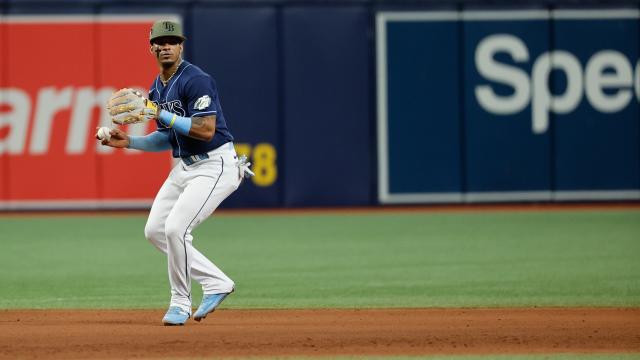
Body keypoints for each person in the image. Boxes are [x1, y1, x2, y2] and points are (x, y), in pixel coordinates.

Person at [97, 19, 252, 326]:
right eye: (160, 42)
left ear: (181, 45)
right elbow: (166, 137)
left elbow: (205, 130)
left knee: (175, 229)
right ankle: (217, 283)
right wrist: (129, 141)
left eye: (172, 41)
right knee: (155, 230)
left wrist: (158, 112)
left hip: (216, 165)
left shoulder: (196, 80)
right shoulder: (157, 88)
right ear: (151, 47)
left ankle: (180, 302)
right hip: (186, 166)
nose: (165, 46)